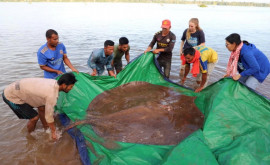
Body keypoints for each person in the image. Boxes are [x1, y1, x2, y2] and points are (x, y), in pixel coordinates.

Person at [2, 72, 77, 140]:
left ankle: (46, 127)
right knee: (34, 118)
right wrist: (54, 132)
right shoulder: (52, 95)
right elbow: (49, 116)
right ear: (64, 85)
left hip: (16, 88)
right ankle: (30, 135)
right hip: (11, 96)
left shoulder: (53, 82)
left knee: (42, 107)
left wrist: (49, 128)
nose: (71, 89)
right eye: (71, 86)